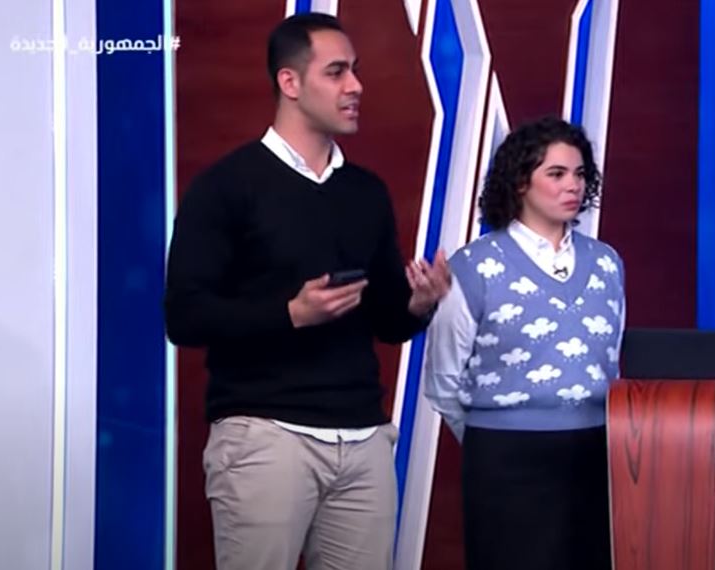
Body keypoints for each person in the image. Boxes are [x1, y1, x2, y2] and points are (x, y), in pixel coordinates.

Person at [163, 12, 451, 570]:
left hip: (363, 439)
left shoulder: (365, 191)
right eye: (337, 72)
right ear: (290, 82)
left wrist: (418, 304)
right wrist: (291, 313)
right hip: (266, 437)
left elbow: (386, 320)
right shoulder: (226, 186)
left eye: (356, 71)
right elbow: (185, 316)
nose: (356, 86)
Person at [423, 116, 625, 570]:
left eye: (579, 174)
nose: (573, 185)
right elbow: (443, 379)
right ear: (520, 183)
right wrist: (495, 434)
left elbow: (611, 364)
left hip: (596, 454)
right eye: (556, 173)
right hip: (505, 459)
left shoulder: (608, 263)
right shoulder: (473, 266)